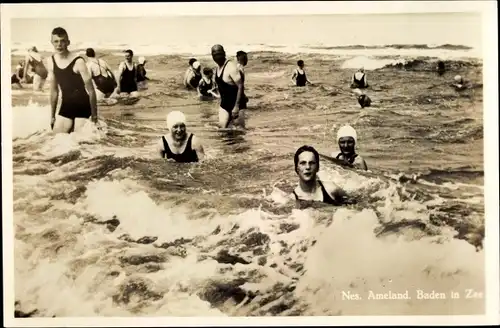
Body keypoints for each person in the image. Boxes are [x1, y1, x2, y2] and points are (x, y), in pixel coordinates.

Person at [45, 27, 98, 134]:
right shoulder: (50, 61)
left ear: (68, 42)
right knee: (55, 140)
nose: (59, 44)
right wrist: (52, 116)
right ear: (51, 42)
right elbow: (54, 91)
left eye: (63, 41)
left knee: (81, 143)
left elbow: (91, 90)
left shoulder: (78, 61)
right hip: (66, 106)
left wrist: (94, 116)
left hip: (82, 106)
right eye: (56, 41)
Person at [212, 44, 245, 128]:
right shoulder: (217, 68)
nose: (217, 57)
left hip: (237, 104)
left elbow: (240, 86)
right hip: (224, 104)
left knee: (239, 132)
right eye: (215, 55)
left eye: (219, 54)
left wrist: (236, 106)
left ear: (224, 53)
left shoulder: (231, 67)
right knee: (222, 131)